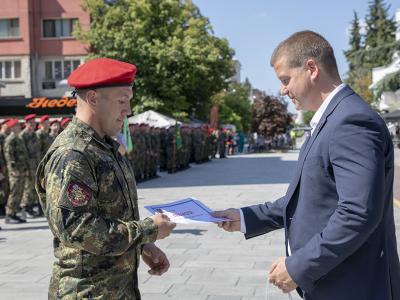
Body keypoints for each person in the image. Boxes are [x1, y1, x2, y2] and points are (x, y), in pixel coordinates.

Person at [213, 30, 400, 300]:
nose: (282, 90)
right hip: (335, 283)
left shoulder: (351, 122)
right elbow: (309, 199)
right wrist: (243, 217)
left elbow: (358, 213)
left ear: (311, 68)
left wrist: (299, 267)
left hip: (354, 286)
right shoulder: (334, 119)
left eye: (286, 79)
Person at [35, 58, 176, 299]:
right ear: (92, 99)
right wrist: (148, 230)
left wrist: (142, 246)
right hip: (86, 291)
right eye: (122, 101)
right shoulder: (73, 154)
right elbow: (77, 228)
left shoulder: (104, 147)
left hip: (115, 289)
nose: (128, 110)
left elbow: (112, 216)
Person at [4, 119, 29, 224]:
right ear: (12, 127)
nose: (20, 127)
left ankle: (14, 212)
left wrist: (25, 169)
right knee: (14, 192)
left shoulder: (19, 138)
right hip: (16, 171)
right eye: (18, 125)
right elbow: (9, 156)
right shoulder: (10, 139)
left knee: (19, 192)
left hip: (22, 170)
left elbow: (24, 155)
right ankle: (9, 214)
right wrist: (13, 170)